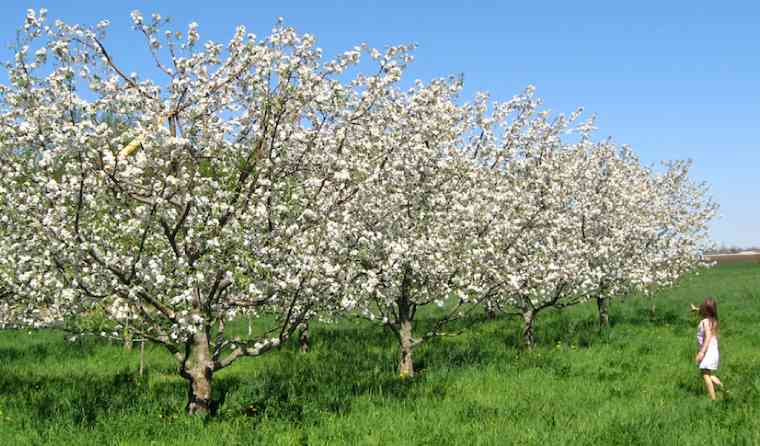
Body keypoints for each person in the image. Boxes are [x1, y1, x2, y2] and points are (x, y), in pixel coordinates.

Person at [692, 298, 724, 400]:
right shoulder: (713, 320)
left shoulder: (705, 322)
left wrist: (701, 352)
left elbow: (708, 336)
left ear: (706, 310)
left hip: (708, 351)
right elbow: (703, 310)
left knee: (705, 374)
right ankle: (725, 390)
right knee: (708, 373)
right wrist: (696, 309)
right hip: (713, 350)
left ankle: (713, 399)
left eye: (702, 306)